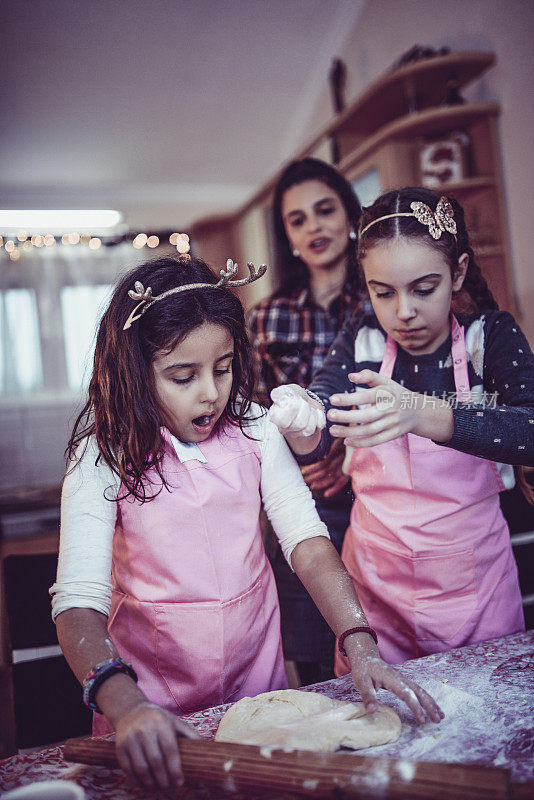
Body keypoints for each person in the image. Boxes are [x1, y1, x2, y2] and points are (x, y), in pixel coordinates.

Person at [51, 253, 443, 792]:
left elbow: (306, 542)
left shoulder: (256, 430)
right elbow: (77, 606)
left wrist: (359, 641)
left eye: (224, 366)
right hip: (147, 703)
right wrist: (127, 706)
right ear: (135, 372)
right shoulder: (101, 458)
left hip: (259, 693)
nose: (211, 392)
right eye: (182, 376)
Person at [269, 186, 533, 673]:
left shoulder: (487, 337)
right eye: (382, 292)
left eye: (423, 288)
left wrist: (427, 413)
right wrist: (304, 420)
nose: (403, 312)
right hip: (375, 594)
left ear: (458, 272)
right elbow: (328, 411)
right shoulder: (363, 337)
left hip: (476, 593)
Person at [248, 158, 365, 684]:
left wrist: (348, 453)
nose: (314, 227)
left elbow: (410, 397)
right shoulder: (265, 315)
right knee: (318, 664)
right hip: (298, 506)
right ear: (287, 236)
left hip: (375, 500)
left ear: (349, 217)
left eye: (324, 210)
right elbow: (250, 415)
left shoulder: (383, 300)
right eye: (298, 219)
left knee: (377, 641)